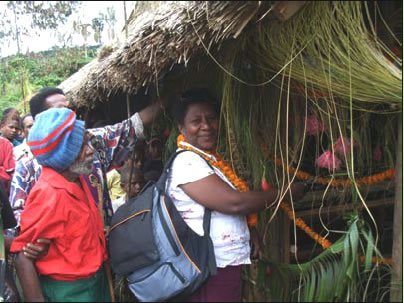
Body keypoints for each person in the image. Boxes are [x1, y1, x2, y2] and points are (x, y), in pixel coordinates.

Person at [166, 88, 305, 302]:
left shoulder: (209, 160)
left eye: (211, 118)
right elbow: (234, 203)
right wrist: (286, 193)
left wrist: (249, 230)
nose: (206, 126)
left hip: (219, 264)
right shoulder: (187, 162)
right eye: (196, 121)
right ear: (181, 128)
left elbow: (220, 207)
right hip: (208, 266)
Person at [9, 87, 163, 227]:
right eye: (62, 110)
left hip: (104, 245)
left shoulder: (92, 139)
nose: (70, 115)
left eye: (70, 109)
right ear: (42, 121)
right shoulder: (27, 165)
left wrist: (167, 100)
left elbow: (130, 127)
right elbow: (19, 216)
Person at [11, 108, 112, 302]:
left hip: (95, 284)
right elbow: (22, 256)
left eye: (87, 142)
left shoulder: (78, 179)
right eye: (82, 146)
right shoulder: (48, 194)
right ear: (63, 155)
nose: (90, 150)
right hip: (70, 292)